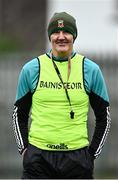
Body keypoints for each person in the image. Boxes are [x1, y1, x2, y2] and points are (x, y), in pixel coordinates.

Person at [12, 12, 111, 179]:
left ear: (74, 36)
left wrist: (91, 154)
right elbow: (18, 115)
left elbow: (104, 117)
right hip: (38, 160)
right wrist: (25, 150)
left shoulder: (90, 70)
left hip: (77, 160)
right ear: (50, 36)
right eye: (56, 32)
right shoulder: (31, 69)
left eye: (66, 32)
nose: (61, 37)